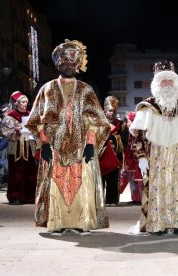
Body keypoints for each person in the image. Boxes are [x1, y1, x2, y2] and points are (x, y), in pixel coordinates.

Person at [25, 39, 111, 235]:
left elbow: (95, 120)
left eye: (72, 64)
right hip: (54, 147)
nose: (68, 66)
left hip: (81, 147)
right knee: (57, 184)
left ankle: (82, 223)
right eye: (64, 63)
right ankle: (58, 223)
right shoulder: (47, 89)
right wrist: (43, 143)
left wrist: (90, 144)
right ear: (58, 64)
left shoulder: (86, 90)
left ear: (77, 65)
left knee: (81, 183)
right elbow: (37, 119)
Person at [129, 60, 178, 236]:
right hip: (156, 155)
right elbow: (137, 135)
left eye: (170, 80)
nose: (167, 84)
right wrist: (141, 156)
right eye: (163, 81)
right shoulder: (147, 107)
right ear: (156, 84)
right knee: (157, 189)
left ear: (176, 83)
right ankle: (157, 224)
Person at [0, 91, 38, 205]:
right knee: (16, 171)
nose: (25, 104)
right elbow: (6, 132)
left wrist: (33, 131)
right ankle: (15, 196)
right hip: (16, 146)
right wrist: (17, 131)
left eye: (26, 102)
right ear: (17, 103)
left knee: (30, 171)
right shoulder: (10, 116)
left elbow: (36, 129)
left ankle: (30, 196)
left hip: (29, 146)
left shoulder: (30, 114)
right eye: (23, 102)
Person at [101, 96, 127, 205]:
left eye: (114, 111)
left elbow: (125, 140)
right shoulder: (99, 123)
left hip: (116, 157)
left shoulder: (121, 124)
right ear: (104, 111)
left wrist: (117, 142)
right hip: (101, 156)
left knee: (113, 180)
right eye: (110, 111)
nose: (112, 113)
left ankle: (112, 200)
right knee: (100, 180)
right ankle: (100, 201)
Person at [120, 111, 143, 204]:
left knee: (138, 181)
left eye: (129, 121)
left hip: (136, 161)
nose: (127, 123)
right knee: (133, 180)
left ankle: (140, 199)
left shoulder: (138, 133)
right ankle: (135, 198)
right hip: (131, 161)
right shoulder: (130, 132)